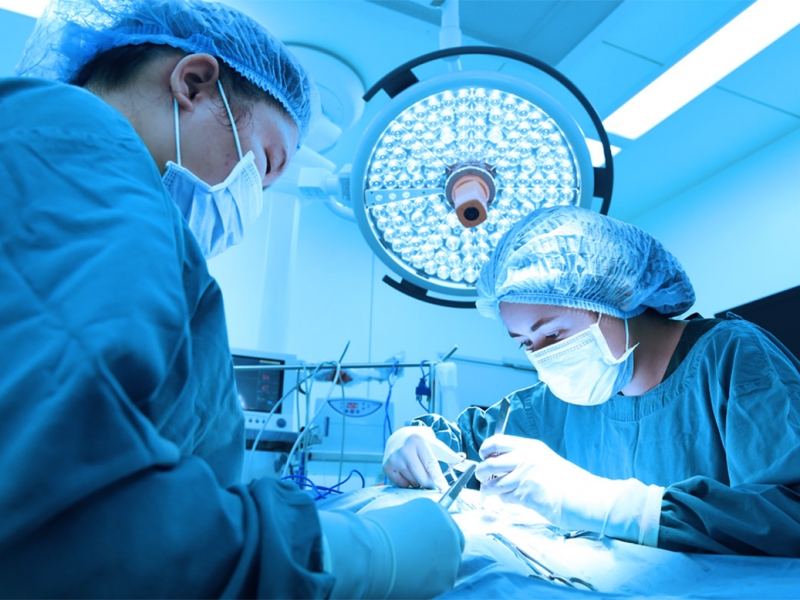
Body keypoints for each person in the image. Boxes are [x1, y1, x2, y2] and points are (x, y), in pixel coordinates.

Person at [0, 0, 463, 597]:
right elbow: (77, 520)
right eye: (263, 166)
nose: (250, 206)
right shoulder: (80, 153)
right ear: (193, 84)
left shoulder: (69, 178)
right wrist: (358, 555)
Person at [383, 205, 800, 557]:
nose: (543, 354)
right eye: (526, 343)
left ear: (616, 298)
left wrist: (617, 507)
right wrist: (411, 442)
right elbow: (459, 444)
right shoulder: (557, 402)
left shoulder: (732, 358)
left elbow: (789, 511)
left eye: (553, 334)